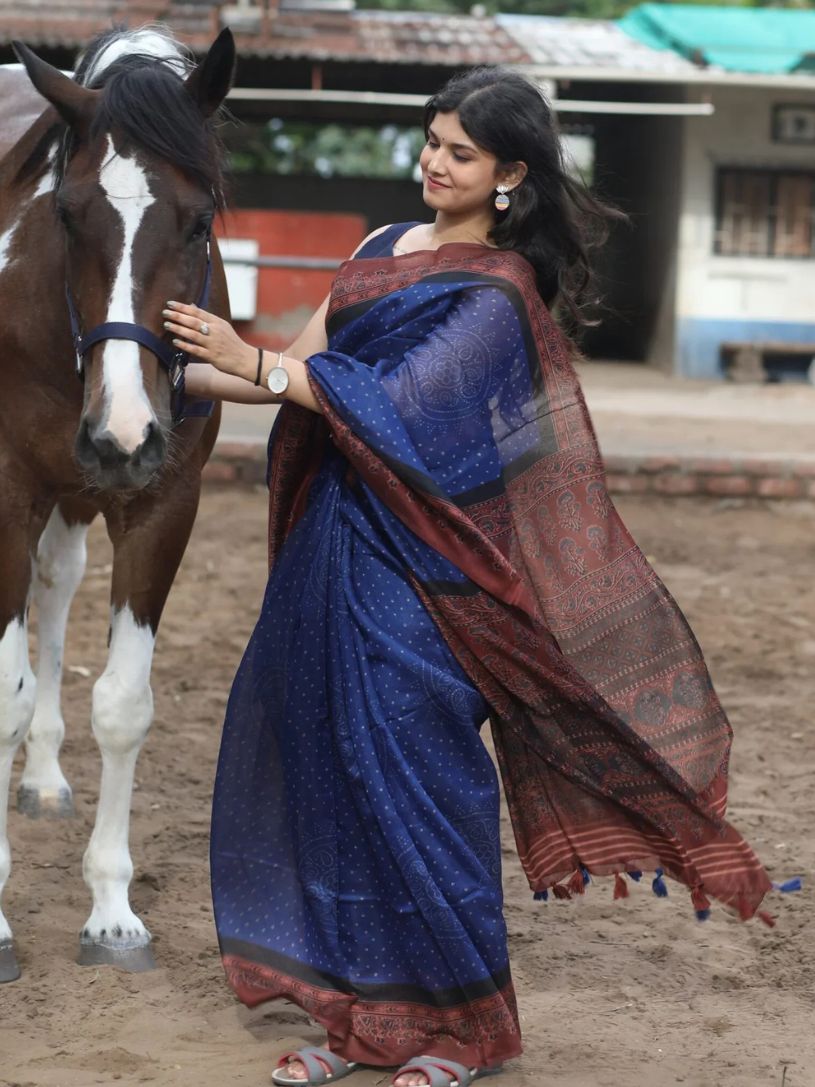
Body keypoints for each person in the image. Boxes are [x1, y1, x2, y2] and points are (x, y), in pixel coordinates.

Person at [164, 66, 772, 1087]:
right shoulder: (376, 252)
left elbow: (394, 407)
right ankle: (358, 1022)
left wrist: (260, 363)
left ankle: (463, 1034)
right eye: (430, 139)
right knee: (329, 779)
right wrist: (154, 359)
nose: (430, 162)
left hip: (427, 578)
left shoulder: (496, 296)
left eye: (456, 150)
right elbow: (295, 370)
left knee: (414, 784)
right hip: (329, 550)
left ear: (508, 176)